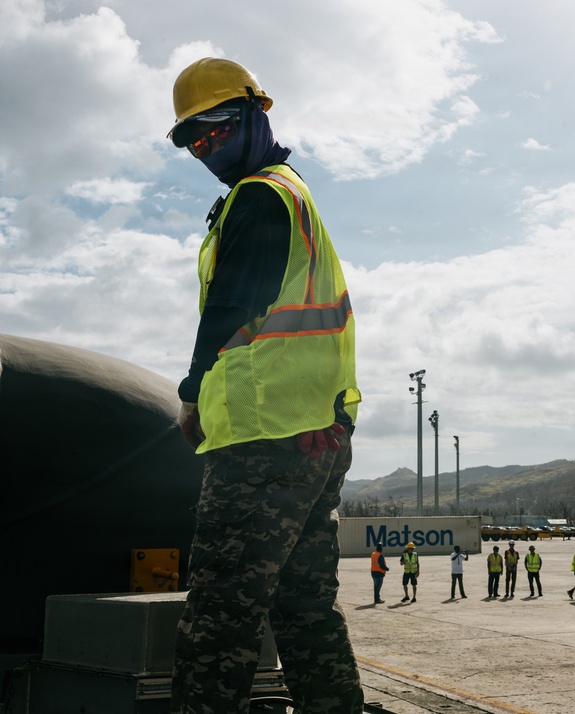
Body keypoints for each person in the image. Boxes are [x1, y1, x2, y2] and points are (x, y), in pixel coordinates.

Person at [167, 58, 363, 714]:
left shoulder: (261, 196)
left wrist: (194, 391)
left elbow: (230, 308)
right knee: (306, 610)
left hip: (265, 437)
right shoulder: (292, 192)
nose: (204, 149)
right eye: (192, 140)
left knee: (218, 619)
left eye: (215, 131)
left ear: (254, 116)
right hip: (320, 432)